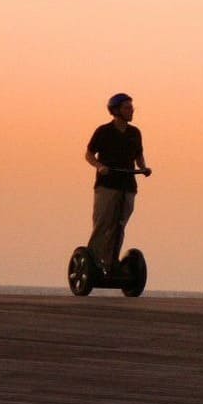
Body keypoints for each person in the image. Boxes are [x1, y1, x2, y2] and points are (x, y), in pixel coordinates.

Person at [83, 93, 150, 271]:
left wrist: (143, 168)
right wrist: (99, 167)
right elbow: (89, 155)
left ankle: (111, 263)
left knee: (119, 225)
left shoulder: (135, 133)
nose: (131, 111)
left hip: (128, 186)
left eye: (132, 108)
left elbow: (138, 155)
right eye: (127, 108)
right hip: (107, 185)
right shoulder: (103, 131)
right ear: (116, 110)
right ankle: (94, 263)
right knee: (103, 223)